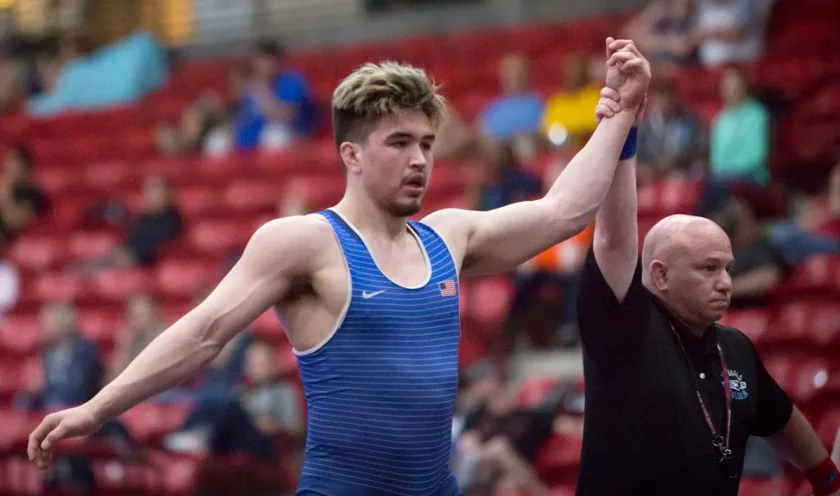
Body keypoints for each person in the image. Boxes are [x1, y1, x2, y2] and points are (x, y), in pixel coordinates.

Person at [27, 39, 651, 496]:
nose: (419, 161)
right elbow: (205, 331)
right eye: (399, 144)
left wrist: (621, 113)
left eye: (427, 144)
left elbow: (565, 212)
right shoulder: (303, 242)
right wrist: (97, 409)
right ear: (351, 154)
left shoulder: (449, 235)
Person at [575, 47, 840, 495]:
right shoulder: (626, 328)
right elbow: (614, 240)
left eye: (728, 268)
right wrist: (624, 131)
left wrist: (827, 479)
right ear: (659, 275)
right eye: (708, 269)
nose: (726, 282)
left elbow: (781, 418)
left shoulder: (735, 349)